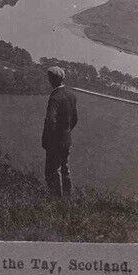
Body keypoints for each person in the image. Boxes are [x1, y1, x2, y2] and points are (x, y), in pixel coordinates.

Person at [42, 66, 78, 198]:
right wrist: (65, 133)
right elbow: (75, 119)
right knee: (65, 169)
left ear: (52, 80)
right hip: (67, 141)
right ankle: (68, 199)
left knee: (52, 171)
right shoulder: (71, 95)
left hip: (55, 142)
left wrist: (49, 140)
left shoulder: (55, 98)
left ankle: (56, 201)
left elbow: (50, 121)